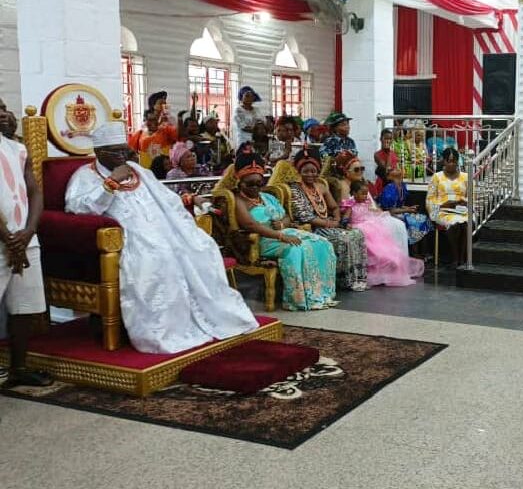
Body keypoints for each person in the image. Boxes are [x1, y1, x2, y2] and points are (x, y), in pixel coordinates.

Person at [65, 122, 258, 354]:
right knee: (159, 258)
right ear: (99, 152)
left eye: (123, 150)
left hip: (164, 230)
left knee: (201, 248)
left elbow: (166, 198)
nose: (122, 156)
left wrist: (188, 199)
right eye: (115, 152)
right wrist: (110, 184)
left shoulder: (140, 172)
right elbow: (79, 209)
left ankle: (204, 317)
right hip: (130, 238)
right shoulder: (85, 176)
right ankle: (164, 330)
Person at [233, 147, 338, 311]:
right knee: (296, 249)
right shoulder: (239, 200)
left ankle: (319, 293)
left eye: (259, 183)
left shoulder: (267, 197)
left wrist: (282, 225)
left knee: (322, 243)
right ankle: (298, 299)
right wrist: (281, 236)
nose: (255, 187)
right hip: (264, 240)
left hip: (283, 232)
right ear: (240, 182)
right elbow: (251, 225)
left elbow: (287, 217)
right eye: (250, 183)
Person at [0, 100, 52, 388]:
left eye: (4, 107)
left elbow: (34, 192)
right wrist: (8, 238)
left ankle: (18, 368)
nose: (4, 113)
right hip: (6, 240)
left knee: (24, 305)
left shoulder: (19, 150)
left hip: (24, 237)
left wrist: (29, 231)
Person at [287, 148, 369, 292]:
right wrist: (331, 224)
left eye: (313, 171)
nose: (310, 174)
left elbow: (334, 207)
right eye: (306, 171)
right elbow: (306, 217)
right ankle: (343, 280)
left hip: (329, 222)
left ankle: (358, 278)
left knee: (357, 234)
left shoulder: (321, 185)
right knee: (345, 239)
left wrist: (338, 220)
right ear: (299, 171)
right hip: (313, 227)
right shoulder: (295, 189)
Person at [341, 180, 423, 287]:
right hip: (360, 226)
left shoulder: (366, 203)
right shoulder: (351, 205)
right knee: (374, 249)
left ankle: (387, 270)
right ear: (354, 193)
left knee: (386, 246)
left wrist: (381, 214)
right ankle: (372, 271)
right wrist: (346, 224)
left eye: (366, 193)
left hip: (370, 225)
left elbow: (372, 212)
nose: (365, 196)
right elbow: (346, 217)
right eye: (362, 193)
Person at [427, 148, 469, 265]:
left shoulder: (466, 177)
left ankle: (463, 258)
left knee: (466, 224)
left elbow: (472, 196)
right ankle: (455, 257)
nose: (451, 164)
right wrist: (442, 205)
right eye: (449, 161)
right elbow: (430, 198)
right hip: (443, 210)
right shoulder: (437, 177)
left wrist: (464, 202)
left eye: (454, 161)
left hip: (462, 210)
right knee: (454, 224)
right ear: (443, 162)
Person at [379, 167, 432, 258]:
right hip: (389, 214)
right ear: (389, 176)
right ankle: (414, 253)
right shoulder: (389, 188)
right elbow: (390, 209)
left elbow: (399, 205)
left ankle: (424, 252)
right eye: (392, 169)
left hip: (399, 212)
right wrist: (407, 210)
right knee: (414, 222)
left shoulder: (402, 185)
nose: (397, 168)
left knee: (423, 218)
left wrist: (409, 207)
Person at [373, 128, 398, 198]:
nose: (388, 141)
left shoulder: (394, 154)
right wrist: (389, 152)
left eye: (390, 139)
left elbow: (395, 169)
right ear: (381, 139)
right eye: (385, 138)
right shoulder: (377, 154)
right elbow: (387, 169)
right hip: (382, 184)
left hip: (392, 183)